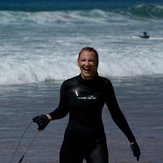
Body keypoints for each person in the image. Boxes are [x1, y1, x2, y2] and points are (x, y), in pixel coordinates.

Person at [33, 47, 141, 163]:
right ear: (78, 62)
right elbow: (62, 110)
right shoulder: (68, 85)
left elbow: (116, 114)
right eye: (83, 60)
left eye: (91, 60)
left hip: (96, 144)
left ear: (96, 63)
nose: (87, 64)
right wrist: (47, 117)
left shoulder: (104, 85)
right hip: (71, 144)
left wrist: (132, 140)